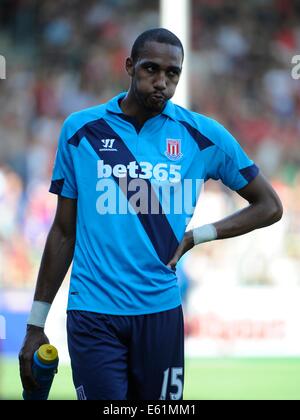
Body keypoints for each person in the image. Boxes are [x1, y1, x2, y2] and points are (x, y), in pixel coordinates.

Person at [19, 28, 283, 400]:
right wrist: (35, 325)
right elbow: (63, 232)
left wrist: (198, 236)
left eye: (172, 73)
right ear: (129, 66)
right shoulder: (80, 132)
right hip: (93, 313)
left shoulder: (201, 135)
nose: (162, 82)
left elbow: (269, 206)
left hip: (160, 313)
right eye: (150, 69)